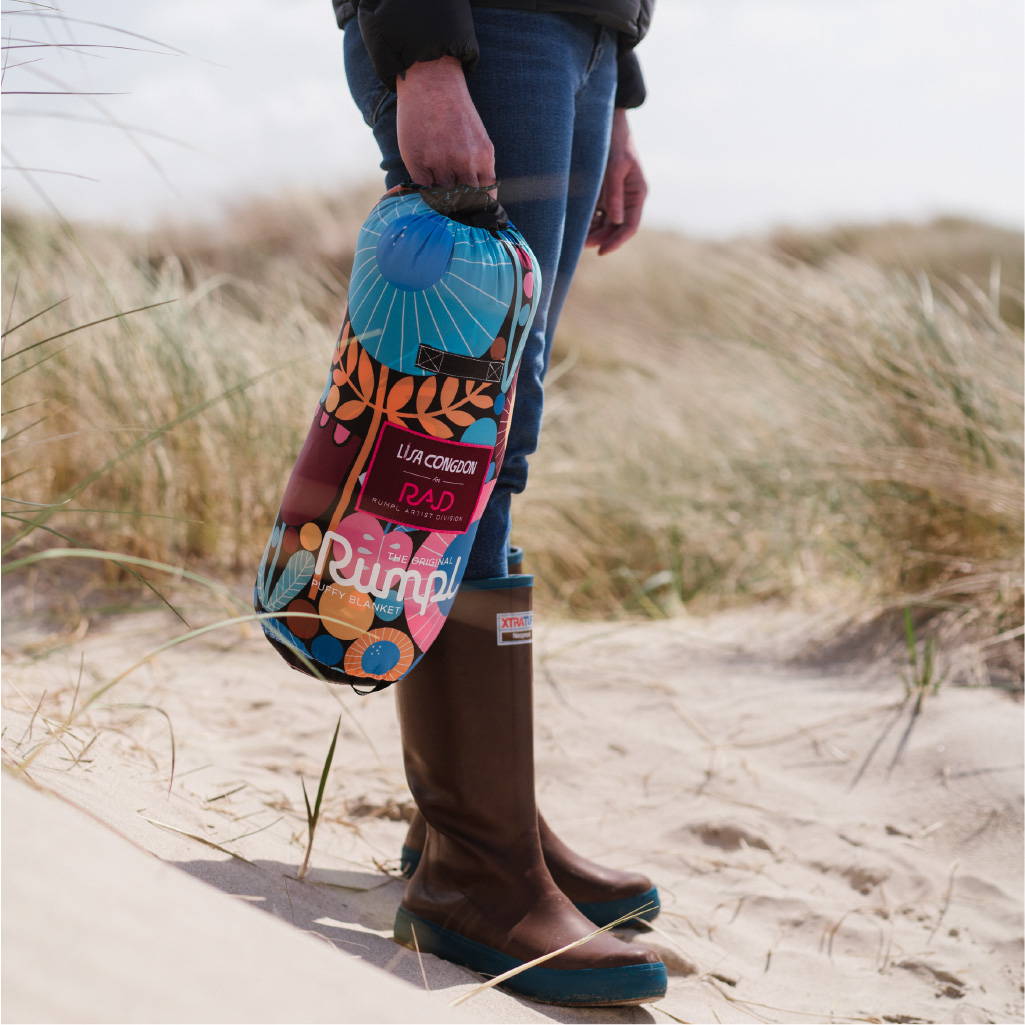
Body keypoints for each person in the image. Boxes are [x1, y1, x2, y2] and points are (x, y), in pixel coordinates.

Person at [333, 0, 665, 1006]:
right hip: (483, 27)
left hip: (576, 38)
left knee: (497, 444)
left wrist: (614, 94)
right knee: (459, 444)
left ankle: (475, 820)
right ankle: (474, 867)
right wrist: (424, 55)